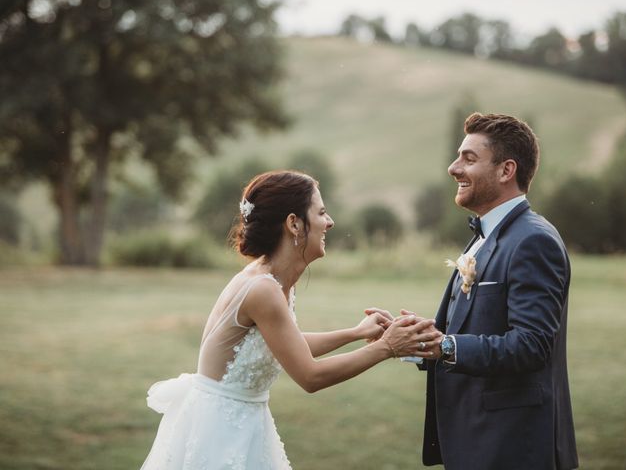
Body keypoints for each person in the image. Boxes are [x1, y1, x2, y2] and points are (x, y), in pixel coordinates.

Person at [139, 170, 438, 470]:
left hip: (244, 421)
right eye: (321, 212)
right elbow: (310, 376)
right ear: (294, 223)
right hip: (220, 431)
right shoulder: (263, 289)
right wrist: (386, 347)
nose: (330, 222)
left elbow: (285, 345)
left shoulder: (276, 281)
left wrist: (356, 333)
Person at [372, 113, 579, 469]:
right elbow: (475, 329)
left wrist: (447, 346)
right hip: (476, 439)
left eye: (469, 158)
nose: (454, 168)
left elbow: (532, 346)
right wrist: (417, 339)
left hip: (512, 445)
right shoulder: (485, 237)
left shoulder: (533, 241)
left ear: (506, 170)